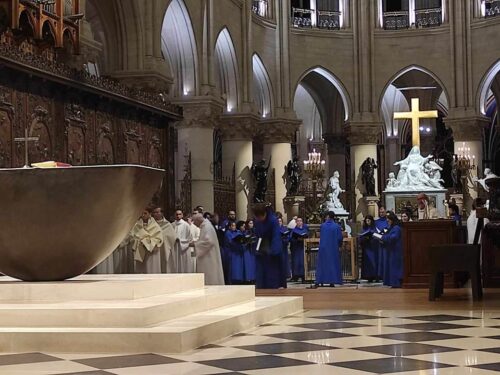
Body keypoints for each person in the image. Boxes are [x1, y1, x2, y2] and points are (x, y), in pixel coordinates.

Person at [253, 204, 283, 289]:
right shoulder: (258, 221)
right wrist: (257, 248)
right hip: (262, 249)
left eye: (259, 217)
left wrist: (274, 250)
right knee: (261, 274)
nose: (258, 219)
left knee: (272, 274)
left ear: (264, 214)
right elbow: (258, 236)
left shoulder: (273, 220)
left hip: (272, 250)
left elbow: (276, 236)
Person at [192, 214, 225, 285]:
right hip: (208, 254)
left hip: (209, 256)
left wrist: (195, 244)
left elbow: (209, 242)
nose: (194, 224)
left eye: (194, 221)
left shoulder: (206, 227)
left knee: (210, 275)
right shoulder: (206, 226)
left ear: (198, 220)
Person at [130, 208, 164, 273]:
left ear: (150, 214)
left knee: (151, 269)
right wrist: (138, 240)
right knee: (141, 271)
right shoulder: (136, 225)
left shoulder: (155, 226)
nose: (143, 215)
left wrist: (147, 242)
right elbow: (132, 237)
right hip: (140, 249)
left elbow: (159, 239)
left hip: (151, 252)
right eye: (142, 213)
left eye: (145, 213)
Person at [314, 211, 343, 287]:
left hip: (323, 247)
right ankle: (332, 281)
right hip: (333, 247)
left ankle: (320, 280)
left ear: (327, 217)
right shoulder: (337, 226)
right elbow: (340, 238)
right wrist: (340, 245)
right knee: (332, 264)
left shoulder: (323, 226)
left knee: (322, 264)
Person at [379, 211, 403, 288]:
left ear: (392, 220)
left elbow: (393, 237)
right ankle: (392, 282)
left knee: (395, 267)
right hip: (392, 249)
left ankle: (396, 283)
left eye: (388, 221)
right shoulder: (393, 227)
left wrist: (383, 237)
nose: (388, 222)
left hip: (396, 250)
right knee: (392, 266)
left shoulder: (396, 228)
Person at [152, 206, 177, 273]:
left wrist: (163, 238)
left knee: (164, 264)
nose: (156, 214)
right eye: (154, 212)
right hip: (154, 247)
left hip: (164, 247)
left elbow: (173, 236)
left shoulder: (167, 225)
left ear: (162, 213)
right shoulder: (151, 224)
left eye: (157, 212)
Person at [360, 215, 379, 282]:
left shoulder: (374, 228)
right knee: (367, 263)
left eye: (369, 220)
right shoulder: (364, 229)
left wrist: (372, 237)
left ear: (371, 221)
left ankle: (375, 276)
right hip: (366, 248)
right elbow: (361, 237)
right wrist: (364, 238)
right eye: (366, 221)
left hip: (373, 248)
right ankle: (368, 276)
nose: (368, 222)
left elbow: (378, 236)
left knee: (374, 261)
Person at [289, 217, 308, 282]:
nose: (299, 222)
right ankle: (296, 276)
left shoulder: (305, 229)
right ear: (296, 222)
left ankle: (303, 276)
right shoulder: (293, 230)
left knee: (303, 262)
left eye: (301, 221)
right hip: (296, 248)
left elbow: (307, 237)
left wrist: (304, 239)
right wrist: (296, 239)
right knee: (296, 262)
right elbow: (290, 239)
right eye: (298, 221)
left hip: (303, 248)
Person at [375, 206, 389, 281]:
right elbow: (374, 231)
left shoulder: (388, 221)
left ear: (386, 212)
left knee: (385, 258)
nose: (381, 213)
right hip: (378, 242)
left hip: (386, 241)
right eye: (380, 212)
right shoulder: (376, 222)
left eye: (383, 212)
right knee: (379, 258)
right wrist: (379, 237)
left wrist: (383, 237)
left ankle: (385, 274)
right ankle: (379, 274)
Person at [278, 217, 290, 288]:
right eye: (278, 221)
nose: (279, 222)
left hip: (283, 248)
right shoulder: (275, 229)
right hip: (278, 248)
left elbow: (288, 237)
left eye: (280, 221)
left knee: (284, 263)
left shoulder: (285, 229)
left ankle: (285, 276)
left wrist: (284, 239)